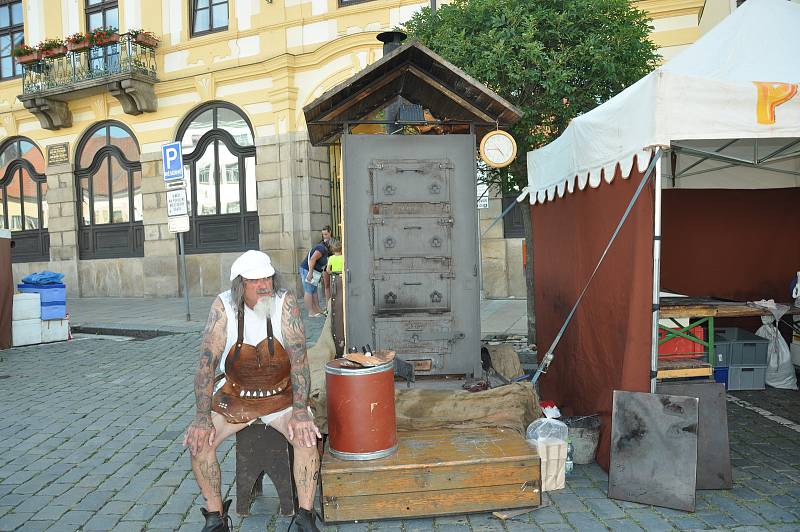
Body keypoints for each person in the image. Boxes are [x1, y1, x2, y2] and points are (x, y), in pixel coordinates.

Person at [183, 250, 322, 532]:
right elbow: (206, 365)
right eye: (255, 281)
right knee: (200, 444)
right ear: (240, 285)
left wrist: (299, 411)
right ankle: (215, 518)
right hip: (236, 395)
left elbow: (298, 360)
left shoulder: (285, 303)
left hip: (281, 394)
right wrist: (201, 417)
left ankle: (305, 518)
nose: (264, 286)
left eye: (268, 278)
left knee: (306, 440)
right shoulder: (222, 306)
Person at [299, 239, 329, 318]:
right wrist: (310, 273)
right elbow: (312, 259)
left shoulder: (323, 250)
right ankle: (311, 312)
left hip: (314, 271)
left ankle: (317, 309)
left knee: (314, 291)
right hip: (307, 270)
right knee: (308, 290)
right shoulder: (321, 249)